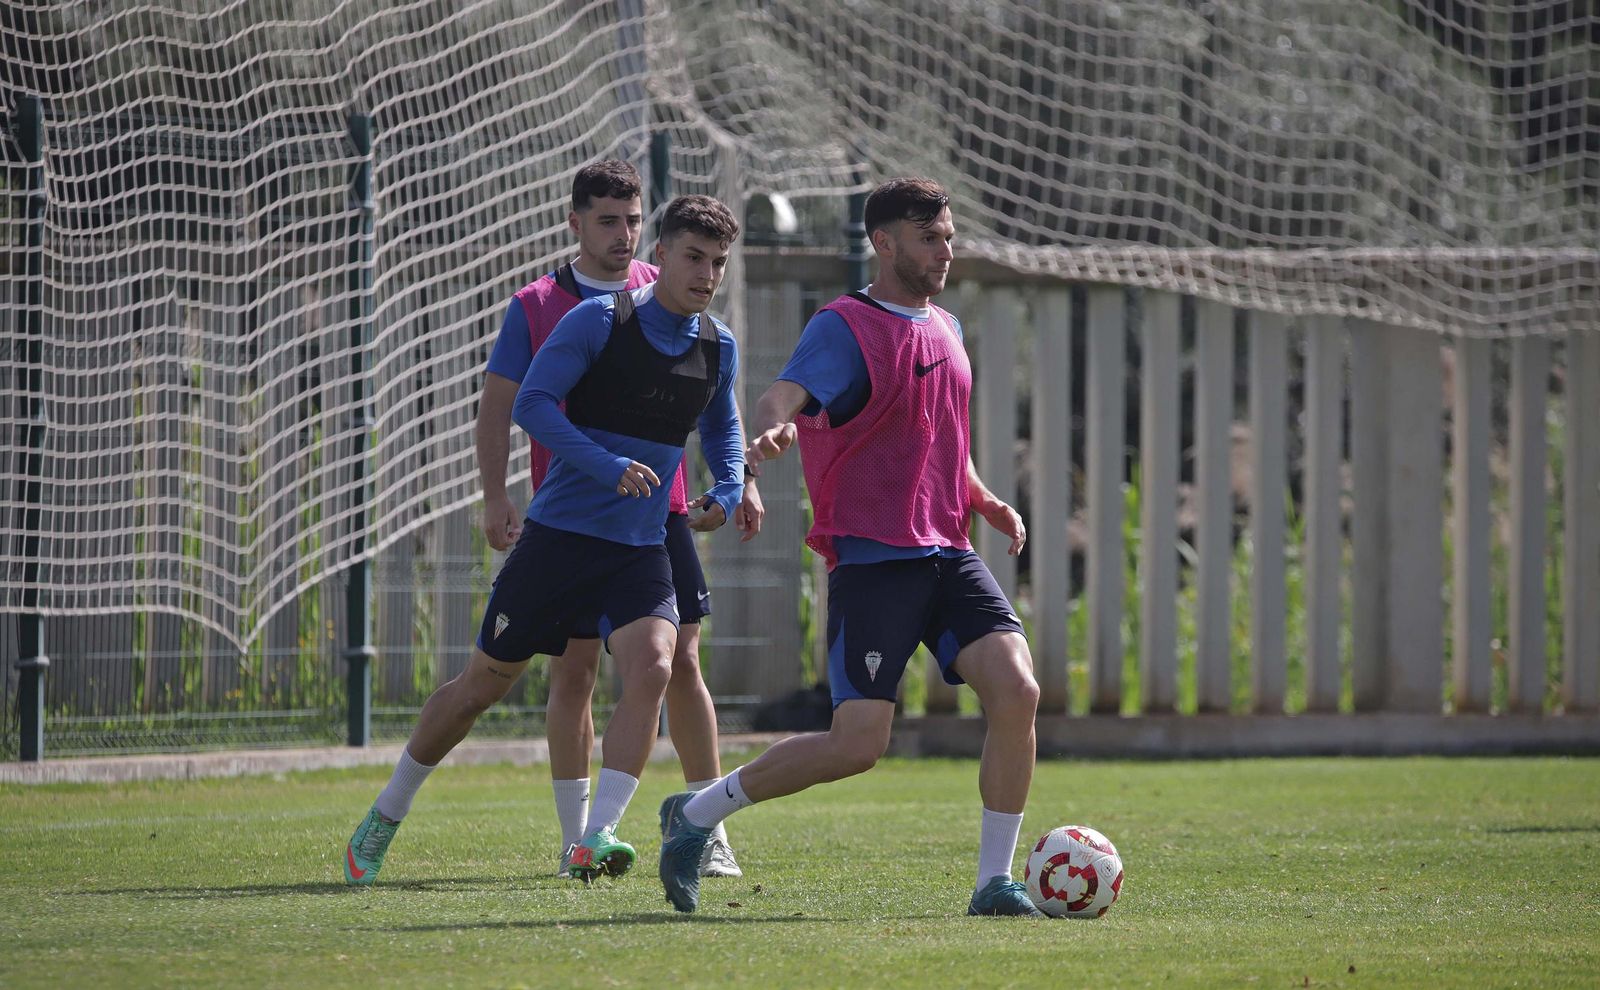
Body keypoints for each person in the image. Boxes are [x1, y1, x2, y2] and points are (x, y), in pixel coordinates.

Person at [656, 177, 1043, 917]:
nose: (945, 250)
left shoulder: (947, 328)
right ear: (885, 243)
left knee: (1017, 690)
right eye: (930, 239)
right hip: (874, 559)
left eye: (949, 237)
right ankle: (697, 813)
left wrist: (980, 494)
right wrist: (771, 429)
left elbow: (939, 442)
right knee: (858, 744)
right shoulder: (845, 324)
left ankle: (994, 882)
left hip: (947, 551)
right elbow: (783, 397)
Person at [345, 193, 748, 887]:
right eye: (693, 258)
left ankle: (598, 836)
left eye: (717, 263)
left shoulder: (719, 346)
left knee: (655, 664)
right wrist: (607, 465)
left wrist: (731, 487)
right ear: (661, 257)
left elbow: (722, 431)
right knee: (480, 688)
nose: (706, 274)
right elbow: (530, 404)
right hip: (559, 540)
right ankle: (385, 812)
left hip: (640, 545)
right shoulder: (597, 320)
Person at [473, 160, 757, 880]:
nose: (623, 232)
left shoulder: (683, 315)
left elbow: (718, 416)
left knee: (678, 660)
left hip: (657, 514)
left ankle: (704, 824)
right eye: (608, 219)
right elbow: (508, 404)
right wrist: (494, 494)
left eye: (632, 218)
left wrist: (734, 483)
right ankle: (580, 840)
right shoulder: (548, 306)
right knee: (571, 673)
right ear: (576, 222)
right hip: (572, 513)